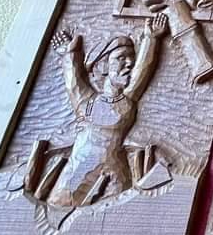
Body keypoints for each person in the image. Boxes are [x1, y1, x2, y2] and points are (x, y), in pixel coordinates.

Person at [42, 15, 168, 208]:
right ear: (102, 66)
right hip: (78, 172)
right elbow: (73, 80)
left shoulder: (126, 101)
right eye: (121, 58)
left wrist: (151, 38)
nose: (129, 63)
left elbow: (143, 70)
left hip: (114, 174)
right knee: (57, 208)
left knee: (113, 217)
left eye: (131, 58)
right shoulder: (87, 102)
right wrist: (69, 54)